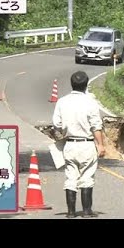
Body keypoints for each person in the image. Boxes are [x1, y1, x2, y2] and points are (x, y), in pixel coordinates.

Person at [52, 71, 106, 218]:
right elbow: (96, 126)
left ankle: (70, 212)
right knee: (87, 176)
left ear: (72, 84)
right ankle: (87, 211)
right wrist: (100, 145)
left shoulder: (62, 101)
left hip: (69, 144)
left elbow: (56, 123)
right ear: (86, 84)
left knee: (71, 177)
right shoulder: (90, 102)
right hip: (87, 144)